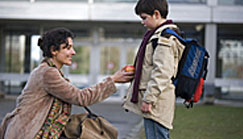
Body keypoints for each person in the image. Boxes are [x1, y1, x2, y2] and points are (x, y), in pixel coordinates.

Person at [0, 27, 134, 139]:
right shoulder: (47, 73)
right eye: (68, 48)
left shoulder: (51, 71)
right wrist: (113, 80)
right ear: (54, 50)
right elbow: (81, 97)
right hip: (28, 134)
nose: (73, 52)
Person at [122, 0, 185, 138]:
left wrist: (149, 99)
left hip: (157, 100)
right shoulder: (156, 35)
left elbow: (162, 72)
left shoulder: (165, 38)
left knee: (157, 135)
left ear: (156, 14)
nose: (142, 22)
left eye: (144, 18)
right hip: (155, 99)